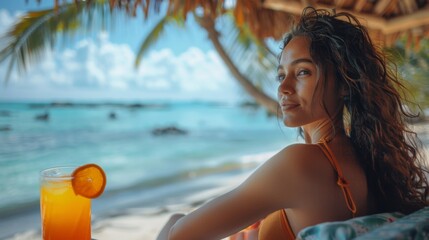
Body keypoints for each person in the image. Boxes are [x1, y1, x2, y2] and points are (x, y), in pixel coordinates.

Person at [156, 7, 429, 240]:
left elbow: (182, 235)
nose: (284, 88)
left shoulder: (297, 163)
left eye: (302, 72)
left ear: (345, 84)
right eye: (281, 75)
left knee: (173, 222)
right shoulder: (367, 158)